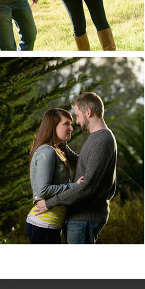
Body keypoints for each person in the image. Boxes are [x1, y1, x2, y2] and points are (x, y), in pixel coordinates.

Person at [34, 92, 118, 244]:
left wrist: (50, 202)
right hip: (79, 218)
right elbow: (83, 165)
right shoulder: (97, 138)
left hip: (85, 218)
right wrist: (61, 143)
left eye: (77, 116)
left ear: (88, 112)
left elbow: (87, 186)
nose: (77, 122)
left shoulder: (101, 140)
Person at [25, 108, 84, 244]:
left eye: (71, 123)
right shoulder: (47, 151)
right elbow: (42, 190)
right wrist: (74, 186)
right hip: (43, 224)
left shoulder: (55, 150)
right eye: (66, 124)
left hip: (50, 225)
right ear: (53, 126)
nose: (71, 128)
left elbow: (78, 162)